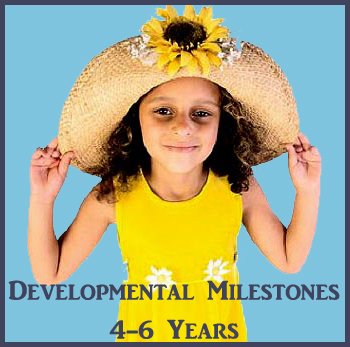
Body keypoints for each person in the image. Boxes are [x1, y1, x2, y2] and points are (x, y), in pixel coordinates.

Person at [28, 5, 321, 342]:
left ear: (222, 124)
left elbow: (289, 259)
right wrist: (43, 198)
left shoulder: (238, 186)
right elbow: (50, 273)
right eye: (163, 111)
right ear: (134, 121)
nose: (183, 127)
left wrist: (307, 191)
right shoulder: (114, 194)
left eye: (201, 113)